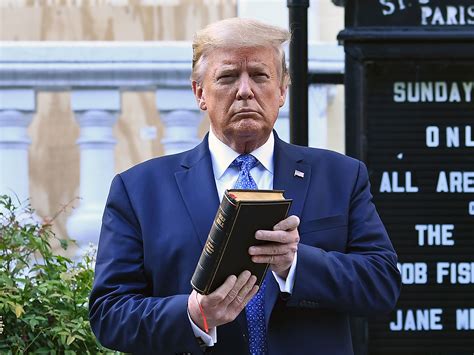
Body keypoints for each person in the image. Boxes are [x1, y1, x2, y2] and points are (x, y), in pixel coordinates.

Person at [89, 17, 401, 355]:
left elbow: (382, 284)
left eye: (259, 75)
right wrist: (193, 315)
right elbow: (109, 314)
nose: (245, 91)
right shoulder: (139, 190)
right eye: (226, 77)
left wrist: (295, 264)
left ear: (282, 90)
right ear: (199, 93)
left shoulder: (341, 176)